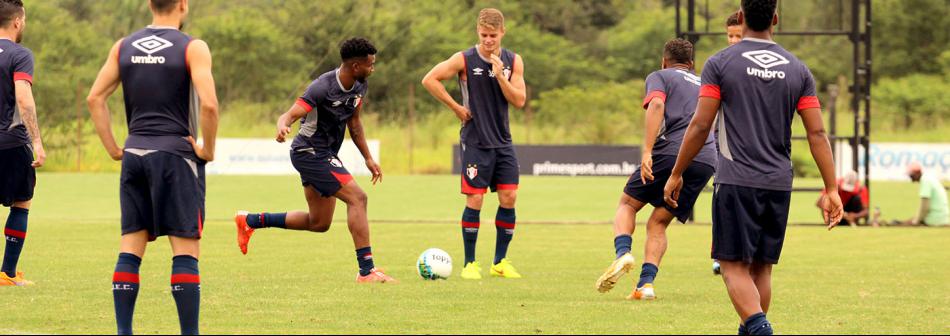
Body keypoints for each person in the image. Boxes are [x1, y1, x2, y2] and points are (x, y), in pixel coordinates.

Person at [662, 0, 843, 334]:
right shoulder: (797, 69)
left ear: (741, 17)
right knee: (762, 269)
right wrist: (831, 188)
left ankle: (761, 330)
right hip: (778, 182)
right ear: (775, 18)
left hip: (736, 179)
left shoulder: (720, 63)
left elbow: (701, 126)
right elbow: (817, 132)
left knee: (732, 266)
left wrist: (676, 173)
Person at [87, 0, 219, 333]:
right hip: (176, 156)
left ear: (149, 4)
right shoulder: (193, 47)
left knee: (131, 246)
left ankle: (123, 331)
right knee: (186, 249)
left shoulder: (123, 46)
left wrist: (114, 148)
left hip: (134, 155)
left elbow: (95, 98)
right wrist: (208, 149)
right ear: (183, 5)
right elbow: (210, 105)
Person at [233, 37, 396, 284]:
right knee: (358, 198)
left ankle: (251, 220)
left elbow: (354, 123)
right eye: (370, 64)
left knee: (319, 222)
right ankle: (367, 271)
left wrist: (368, 158)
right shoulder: (322, 87)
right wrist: (282, 126)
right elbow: (290, 114)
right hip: (309, 152)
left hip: (324, 153)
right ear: (355, 66)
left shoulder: (360, 86)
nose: (373, 68)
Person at [594, 38, 716, 300]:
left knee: (627, 204)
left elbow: (657, 105)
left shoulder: (660, 76)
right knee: (658, 222)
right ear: (691, 65)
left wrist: (648, 150)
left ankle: (623, 252)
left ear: (664, 61)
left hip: (673, 150)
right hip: (706, 158)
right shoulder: (705, 83)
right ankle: (645, 285)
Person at [421, 8, 527, 280]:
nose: (488, 40)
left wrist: (501, 76)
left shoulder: (513, 61)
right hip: (475, 140)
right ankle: (470, 264)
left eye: (493, 35)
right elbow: (429, 79)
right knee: (476, 198)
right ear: (477, 32)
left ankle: (500, 262)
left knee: (509, 197)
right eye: (483, 35)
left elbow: (519, 100)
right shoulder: (465, 59)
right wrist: (456, 107)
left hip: (503, 141)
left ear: (503, 32)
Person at [0, 0, 43, 287]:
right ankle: (7, 274)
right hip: (11, 142)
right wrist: (37, 141)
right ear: (17, 21)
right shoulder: (19, 54)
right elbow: (23, 97)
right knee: (21, 203)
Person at [713, 9, 746, 277]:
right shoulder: (720, 64)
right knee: (721, 197)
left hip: (751, 147)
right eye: (730, 36)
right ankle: (719, 253)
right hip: (723, 143)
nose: (733, 40)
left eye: (738, 35)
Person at [903, 162, 949, 226]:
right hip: (943, 218)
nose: (910, 177)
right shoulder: (929, 178)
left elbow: (925, 207)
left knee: (909, 223)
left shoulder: (925, 182)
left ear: (917, 173)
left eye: (911, 175)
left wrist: (916, 221)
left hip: (935, 219)